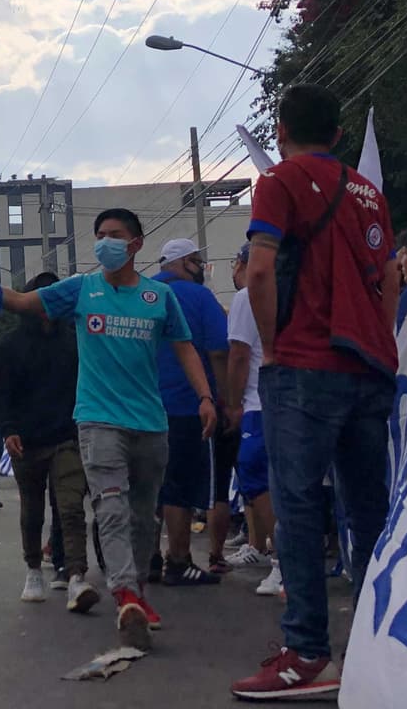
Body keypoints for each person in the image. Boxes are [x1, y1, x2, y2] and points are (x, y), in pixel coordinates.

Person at [0, 208, 215, 653]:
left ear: (136, 244)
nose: (106, 242)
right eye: (100, 235)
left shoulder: (159, 298)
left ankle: (138, 590)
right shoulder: (81, 290)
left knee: (143, 515)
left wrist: (205, 397)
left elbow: (184, 349)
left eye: (116, 235)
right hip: (97, 420)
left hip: (149, 421)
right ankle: (124, 594)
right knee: (108, 506)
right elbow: (18, 301)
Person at [231, 85, 399, 701]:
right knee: (368, 510)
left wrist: (274, 345)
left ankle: (306, 655)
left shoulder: (278, 180)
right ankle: (381, 641)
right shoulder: (369, 191)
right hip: (369, 368)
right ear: (336, 133)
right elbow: (388, 278)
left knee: (299, 510)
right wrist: (380, 340)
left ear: (281, 129)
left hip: (305, 366)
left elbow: (257, 268)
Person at [0, 270, 97, 613]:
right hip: (26, 440)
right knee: (32, 509)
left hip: (68, 436)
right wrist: (8, 430)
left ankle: (77, 576)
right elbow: (0, 394)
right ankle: (33, 569)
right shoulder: (10, 345)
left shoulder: (76, 339)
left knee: (70, 508)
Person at [150, 239, 230, 585]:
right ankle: (179, 561)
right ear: (184, 262)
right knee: (178, 488)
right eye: (198, 261)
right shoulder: (199, 298)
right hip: (187, 406)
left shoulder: (143, 294)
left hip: (142, 407)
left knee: (147, 489)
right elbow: (218, 351)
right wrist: (223, 400)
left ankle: (147, 559)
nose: (201, 268)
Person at [222, 245, 281, 592]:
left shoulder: (247, 296)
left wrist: (233, 403)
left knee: (256, 478)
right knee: (282, 483)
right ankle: (266, 549)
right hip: (287, 400)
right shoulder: (289, 288)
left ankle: (283, 560)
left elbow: (239, 354)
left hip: (258, 402)